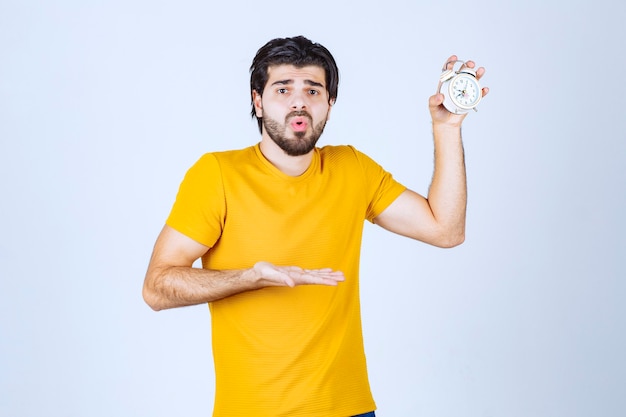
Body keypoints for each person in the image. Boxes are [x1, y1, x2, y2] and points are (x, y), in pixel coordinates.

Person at [143, 35, 488, 417]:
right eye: (282, 88)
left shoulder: (352, 169)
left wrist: (447, 128)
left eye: (313, 89)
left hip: (349, 409)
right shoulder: (217, 176)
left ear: (329, 104)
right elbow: (157, 288)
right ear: (257, 101)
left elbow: (446, 230)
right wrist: (249, 278)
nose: (298, 100)